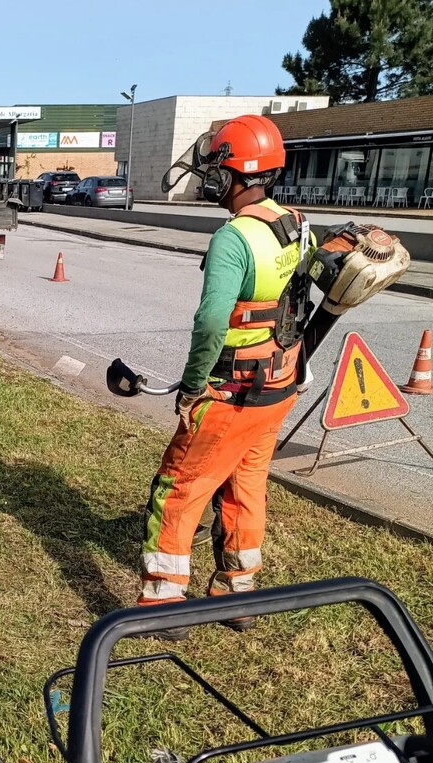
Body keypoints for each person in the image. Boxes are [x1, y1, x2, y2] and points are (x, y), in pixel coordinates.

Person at [139, 115, 312, 638]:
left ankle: (164, 602)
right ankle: (238, 592)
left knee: (179, 486)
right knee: (245, 484)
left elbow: (212, 321)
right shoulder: (296, 224)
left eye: (217, 167)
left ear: (234, 173)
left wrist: (193, 386)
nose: (210, 179)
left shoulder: (234, 238)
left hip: (231, 391)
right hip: (278, 387)